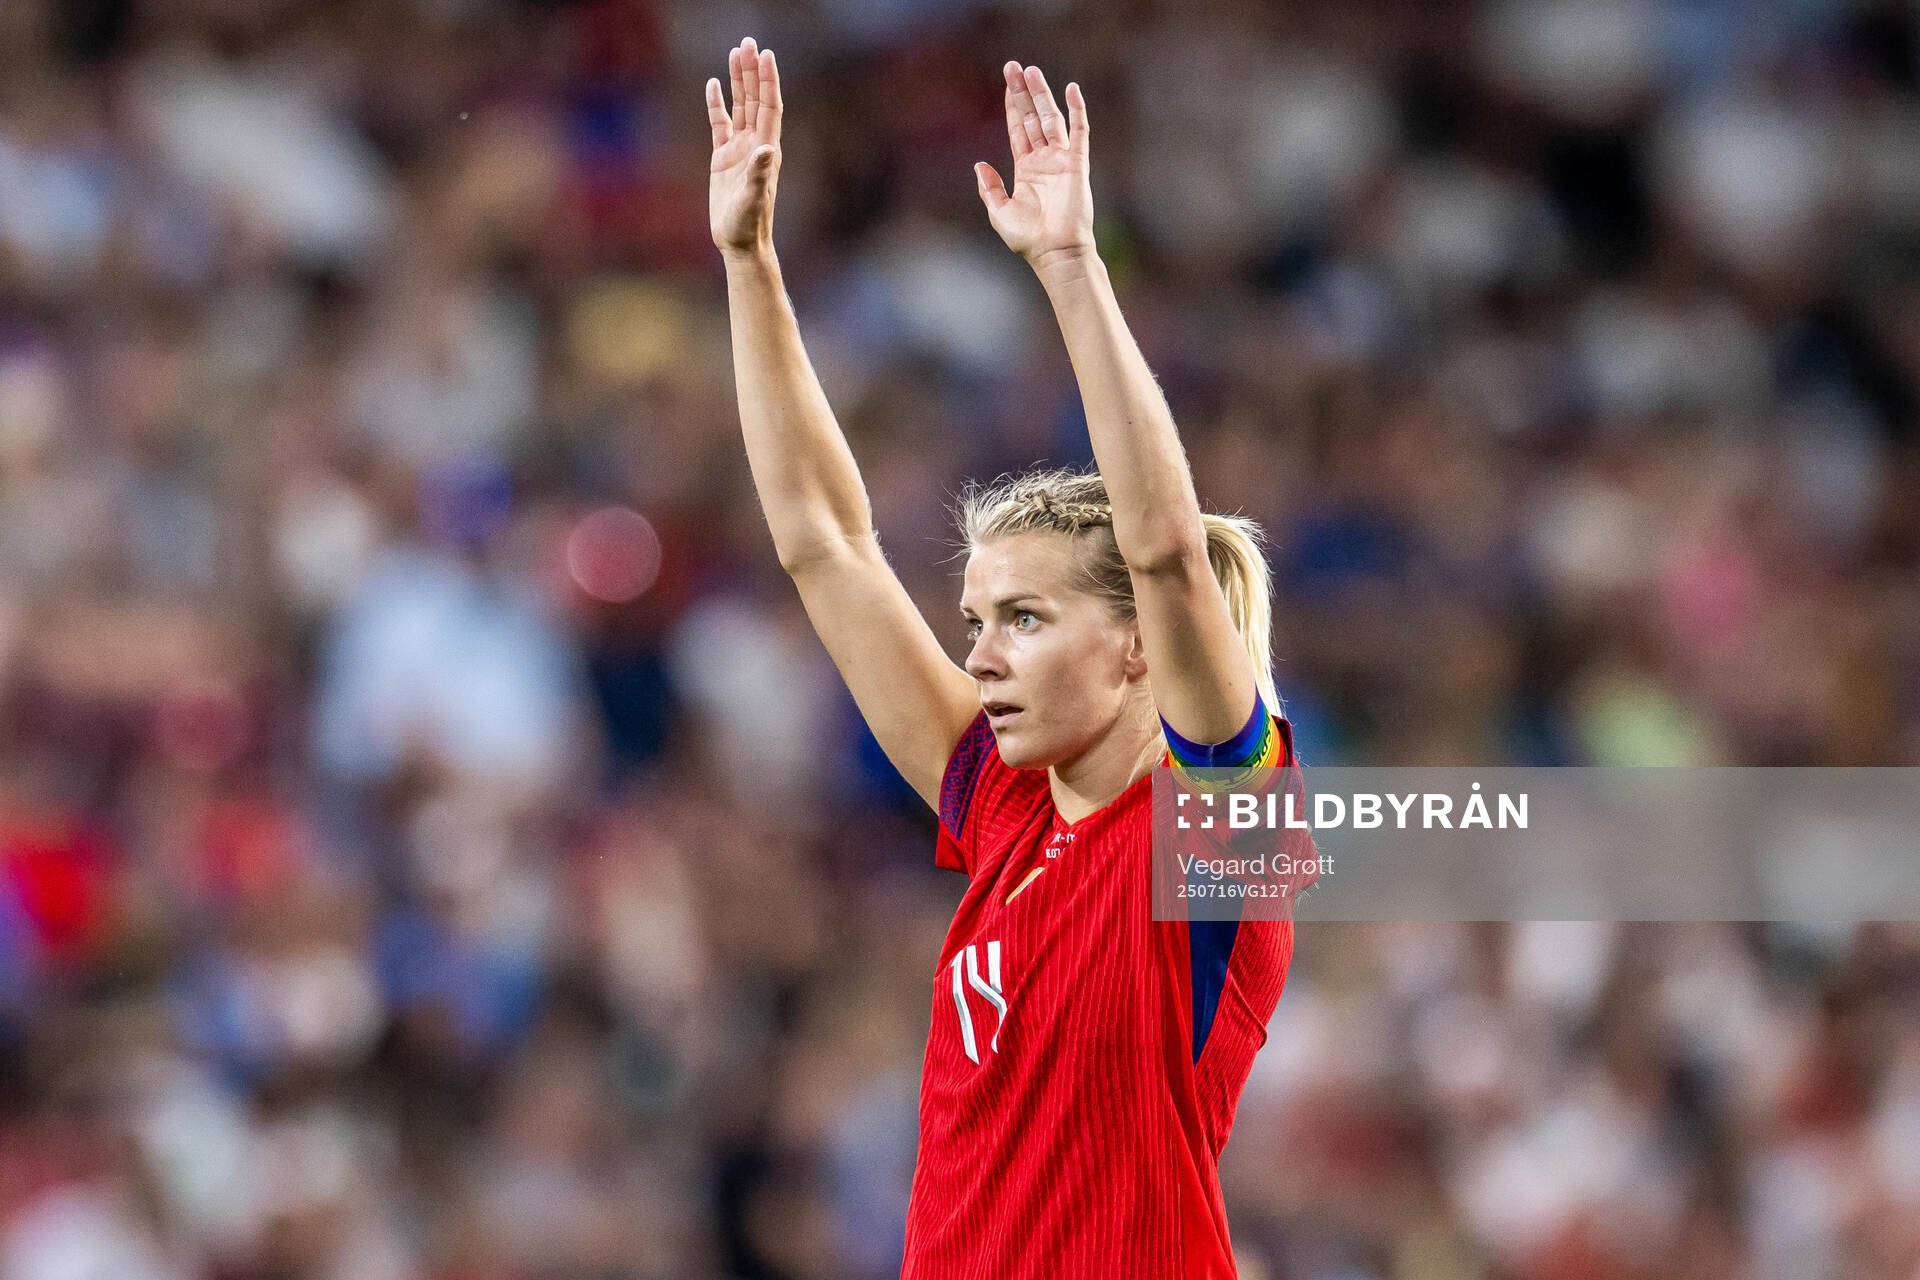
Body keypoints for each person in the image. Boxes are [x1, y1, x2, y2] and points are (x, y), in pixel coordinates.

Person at [707, 39, 1298, 1278]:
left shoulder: (1215, 840)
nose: (978, 656)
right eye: (976, 619)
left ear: (1136, 649)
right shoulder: (1004, 814)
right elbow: (827, 545)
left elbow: (1166, 550)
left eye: (1023, 617)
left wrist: (1072, 269)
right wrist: (750, 264)